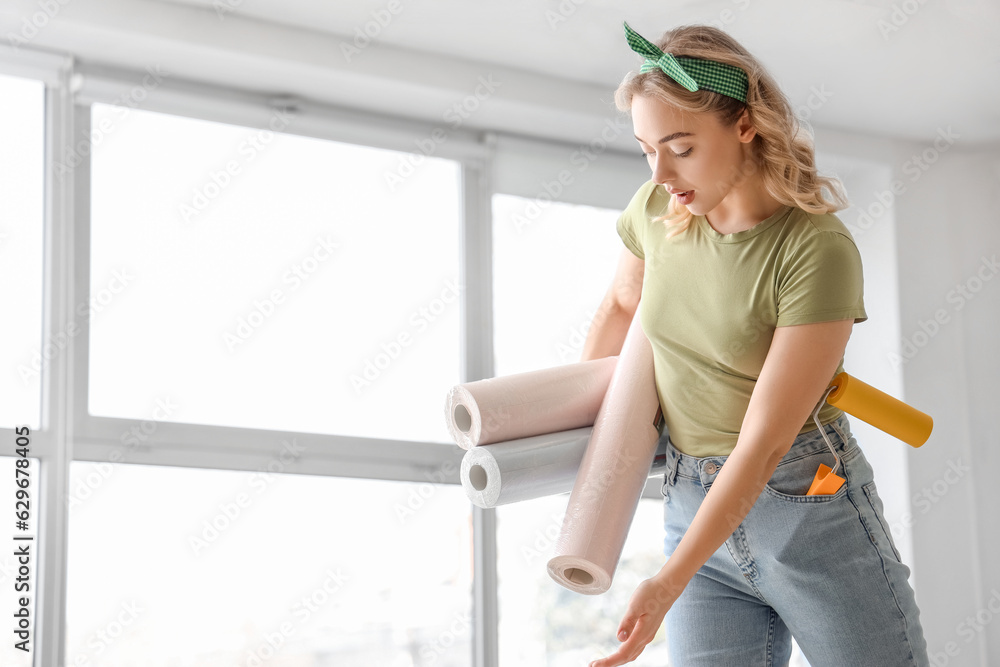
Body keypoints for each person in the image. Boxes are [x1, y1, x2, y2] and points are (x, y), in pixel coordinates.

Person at [581, 21, 931, 667]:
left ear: (744, 124)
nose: (660, 172)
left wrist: (666, 581)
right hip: (691, 498)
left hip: (806, 504)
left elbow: (766, 440)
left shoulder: (815, 250)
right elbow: (623, 305)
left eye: (680, 147)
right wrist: (590, 445)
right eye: (645, 149)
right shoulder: (656, 213)